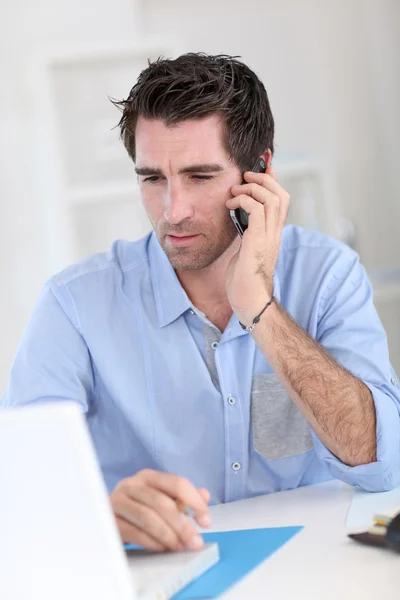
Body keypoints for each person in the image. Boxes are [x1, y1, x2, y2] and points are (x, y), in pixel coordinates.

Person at [2, 53, 400, 553]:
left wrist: (259, 308)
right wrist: (98, 515)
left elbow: (379, 460)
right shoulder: (74, 306)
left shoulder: (326, 275)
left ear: (260, 171)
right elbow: (17, 492)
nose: (173, 210)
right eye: (152, 178)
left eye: (200, 176)